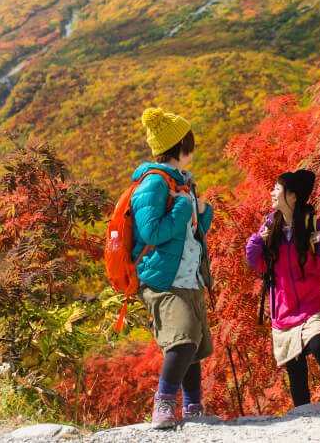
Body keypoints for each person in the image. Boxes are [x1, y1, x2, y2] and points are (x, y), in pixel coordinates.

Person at [131, 107, 214, 429]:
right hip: (162, 279)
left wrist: (201, 213)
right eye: (190, 140)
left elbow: (190, 234)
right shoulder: (153, 183)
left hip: (189, 277)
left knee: (193, 343)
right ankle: (163, 405)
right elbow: (152, 233)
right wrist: (182, 204)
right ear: (181, 145)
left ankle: (193, 407)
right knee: (182, 339)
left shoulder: (183, 183)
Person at [245, 169, 320, 407]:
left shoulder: (313, 226)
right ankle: (303, 414)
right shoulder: (270, 227)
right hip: (284, 312)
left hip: (313, 304)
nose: (272, 193)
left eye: (277, 189)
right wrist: (257, 240)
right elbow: (255, 263)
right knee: (295, 369)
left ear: (292, 196)